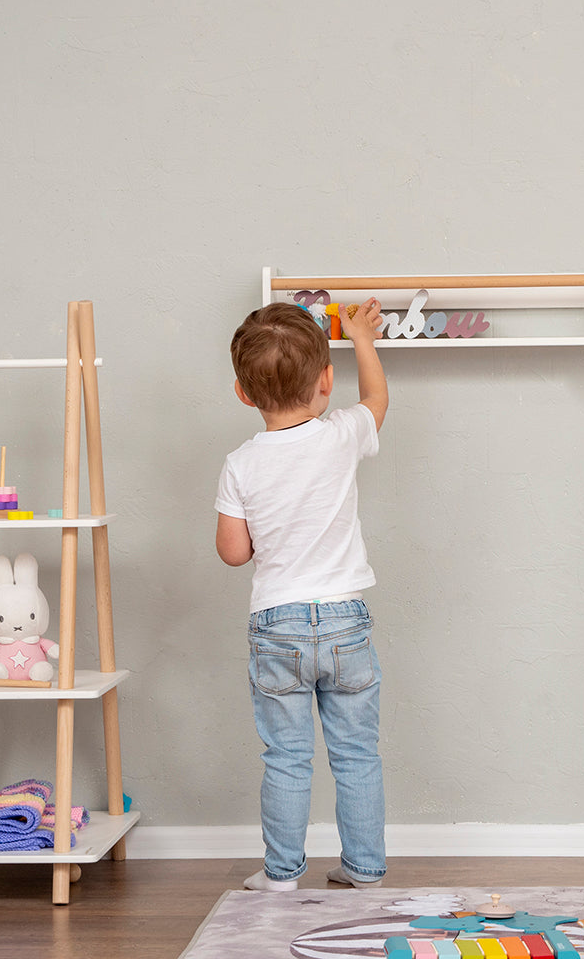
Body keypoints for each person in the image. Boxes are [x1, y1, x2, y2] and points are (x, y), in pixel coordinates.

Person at [215, 298, 389, 891]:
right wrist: (362, 337)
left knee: (287, 758)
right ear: (325, 382)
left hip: (278, 626)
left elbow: (235, 552)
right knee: (356, 755)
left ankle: (283, 873)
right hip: (346, 621)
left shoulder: (239, 464)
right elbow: (377, 404)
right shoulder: (341, 435)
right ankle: (364, 868)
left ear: (243, 392)